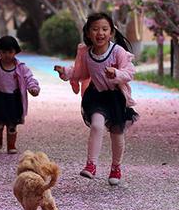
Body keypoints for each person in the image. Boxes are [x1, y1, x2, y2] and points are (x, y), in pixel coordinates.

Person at [53, 12, 139, 186]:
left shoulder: (117, 51)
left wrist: (116, 73)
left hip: (115, 97)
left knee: (117, 133)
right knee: (97, 125)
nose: (100, 33)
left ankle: (116, 168)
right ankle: (91, 165)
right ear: (88, 33)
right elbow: (80, 72)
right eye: (95, 29)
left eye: (104, 29)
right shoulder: (86, 53)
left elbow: (129, 72)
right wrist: (65, 73)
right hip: (96, 96)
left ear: (111, 32)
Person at [0, 36, 40, 154]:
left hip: (14, 100)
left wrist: (33, 88)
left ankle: (11, 145)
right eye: (4, 52)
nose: (7, 55)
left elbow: (29, 78)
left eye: (10, 52)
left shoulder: (21, 67)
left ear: (15, 52)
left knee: (12, 125)